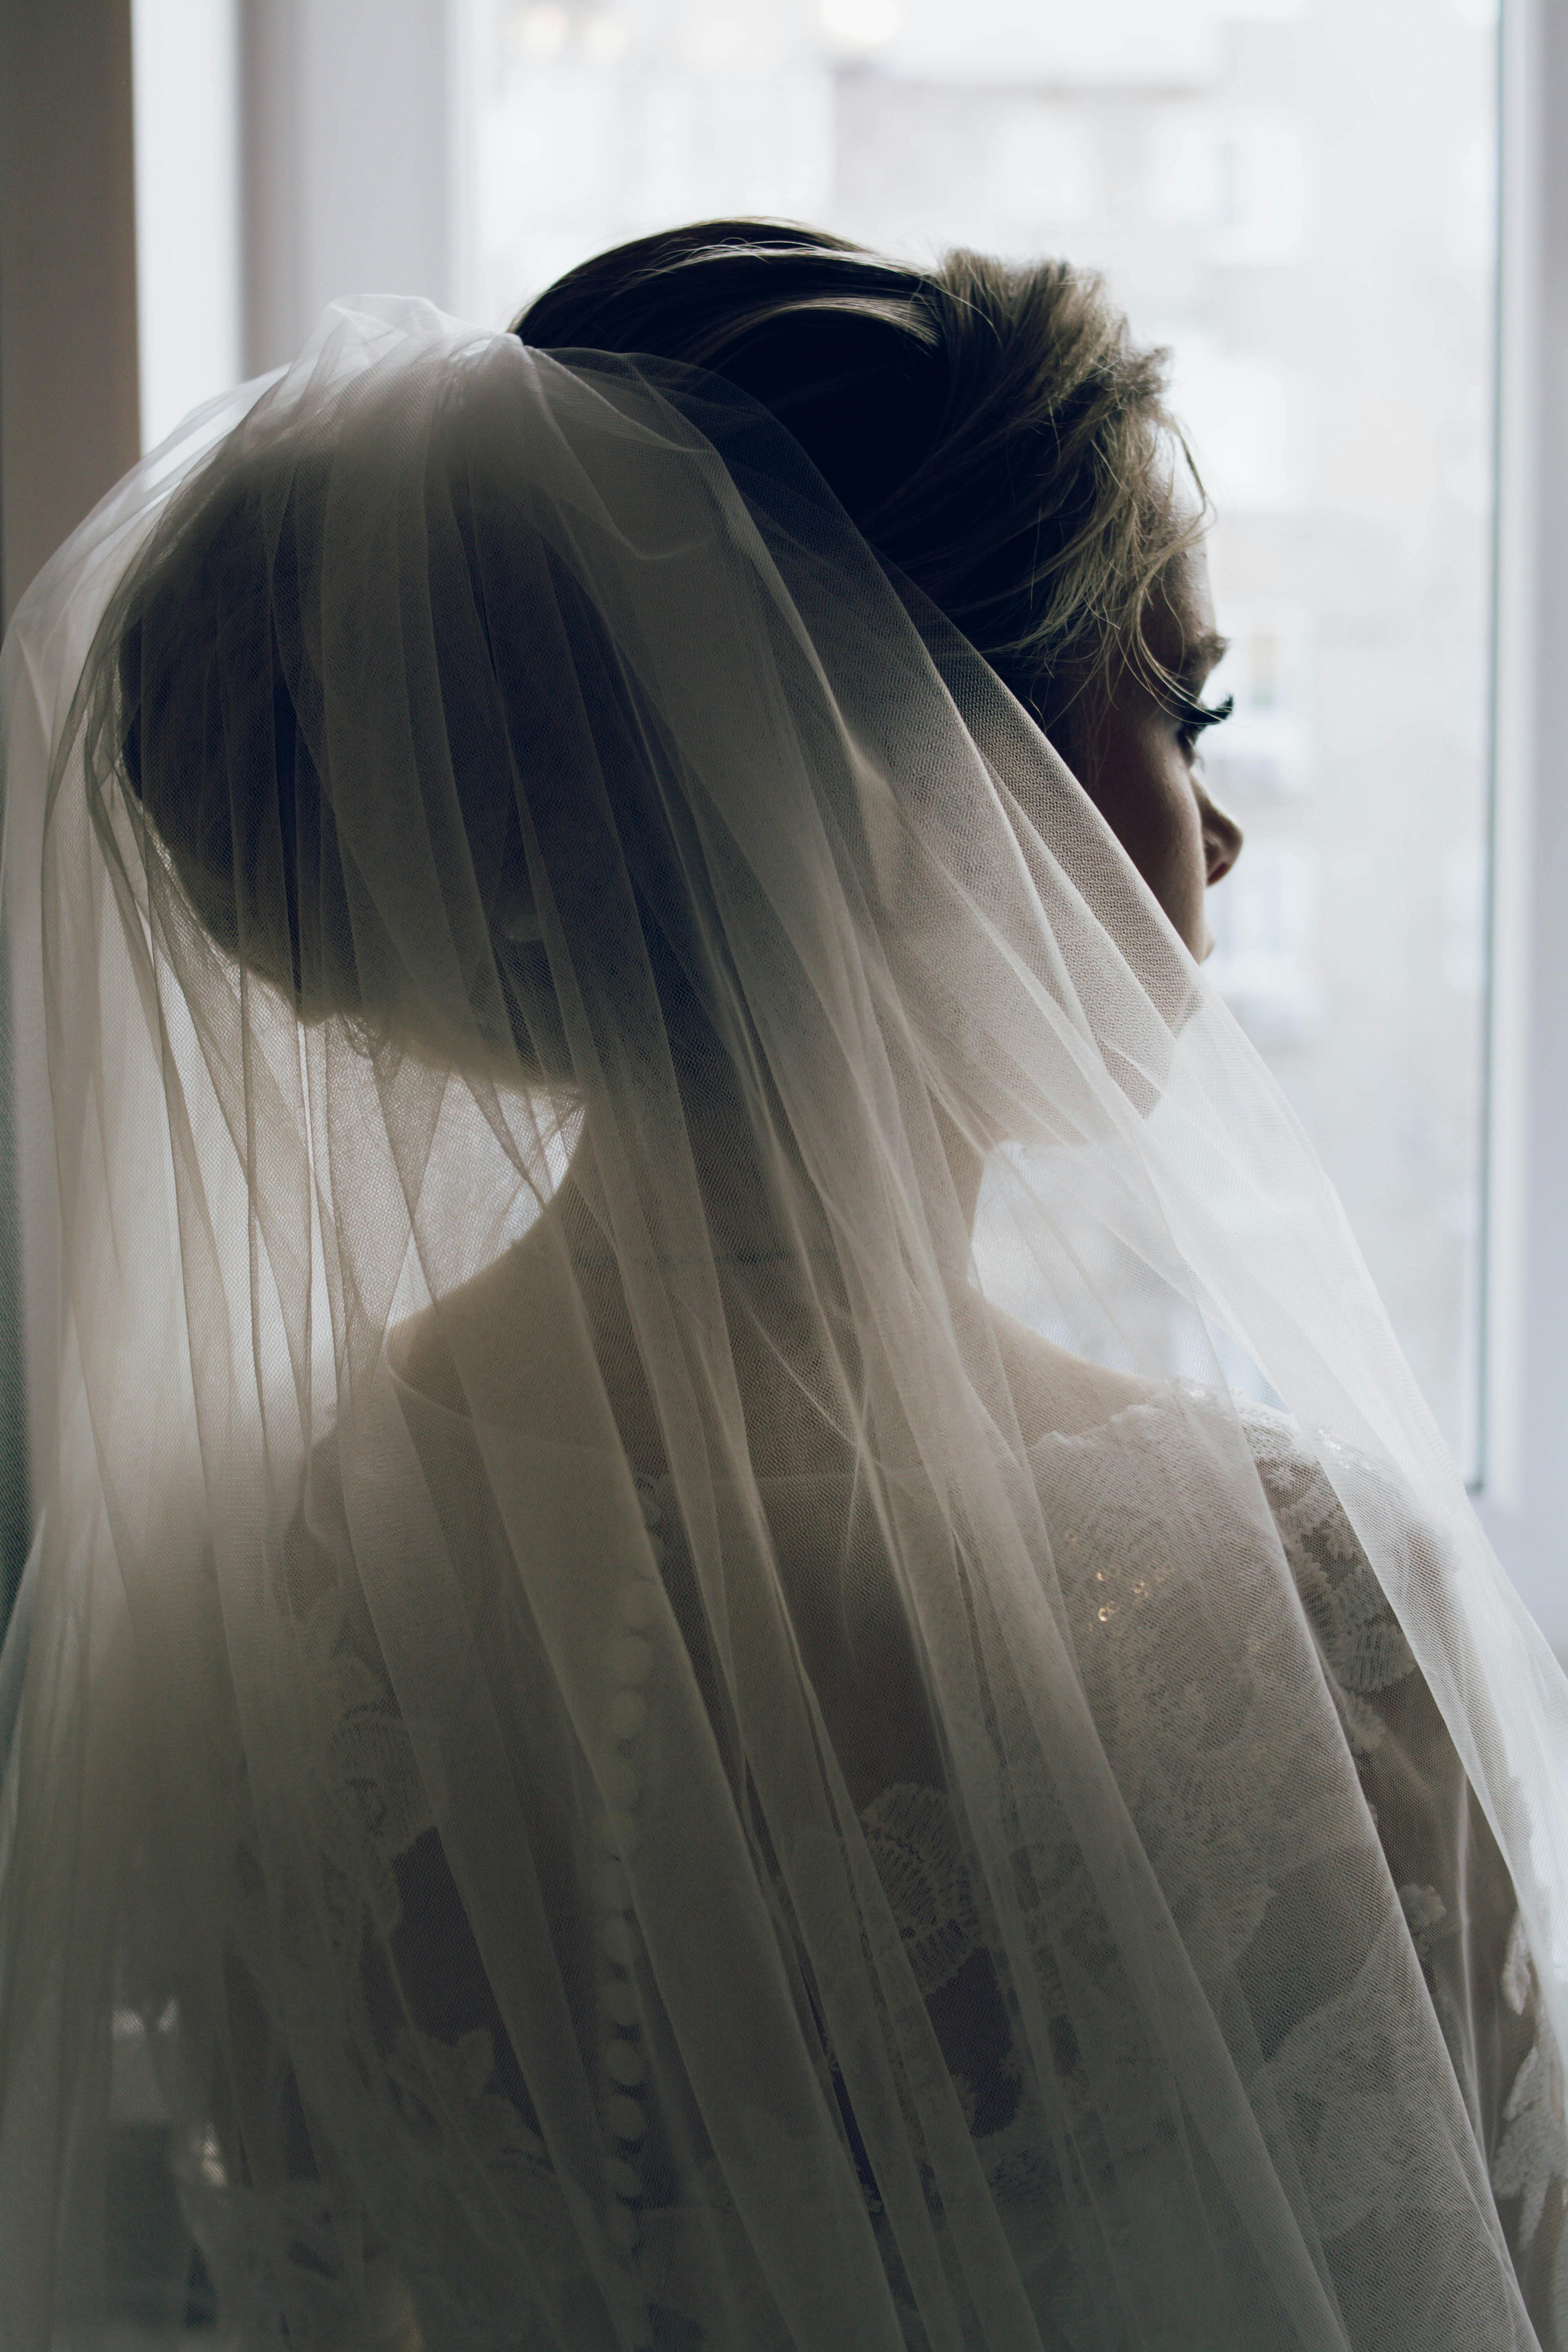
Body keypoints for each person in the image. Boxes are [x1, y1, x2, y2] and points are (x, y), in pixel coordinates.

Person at [1, 221, 1566, 2351]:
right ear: (904, 775)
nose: (1221, 832)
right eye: (1174, 704)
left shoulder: (234, 1587)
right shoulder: (1299, 1606)